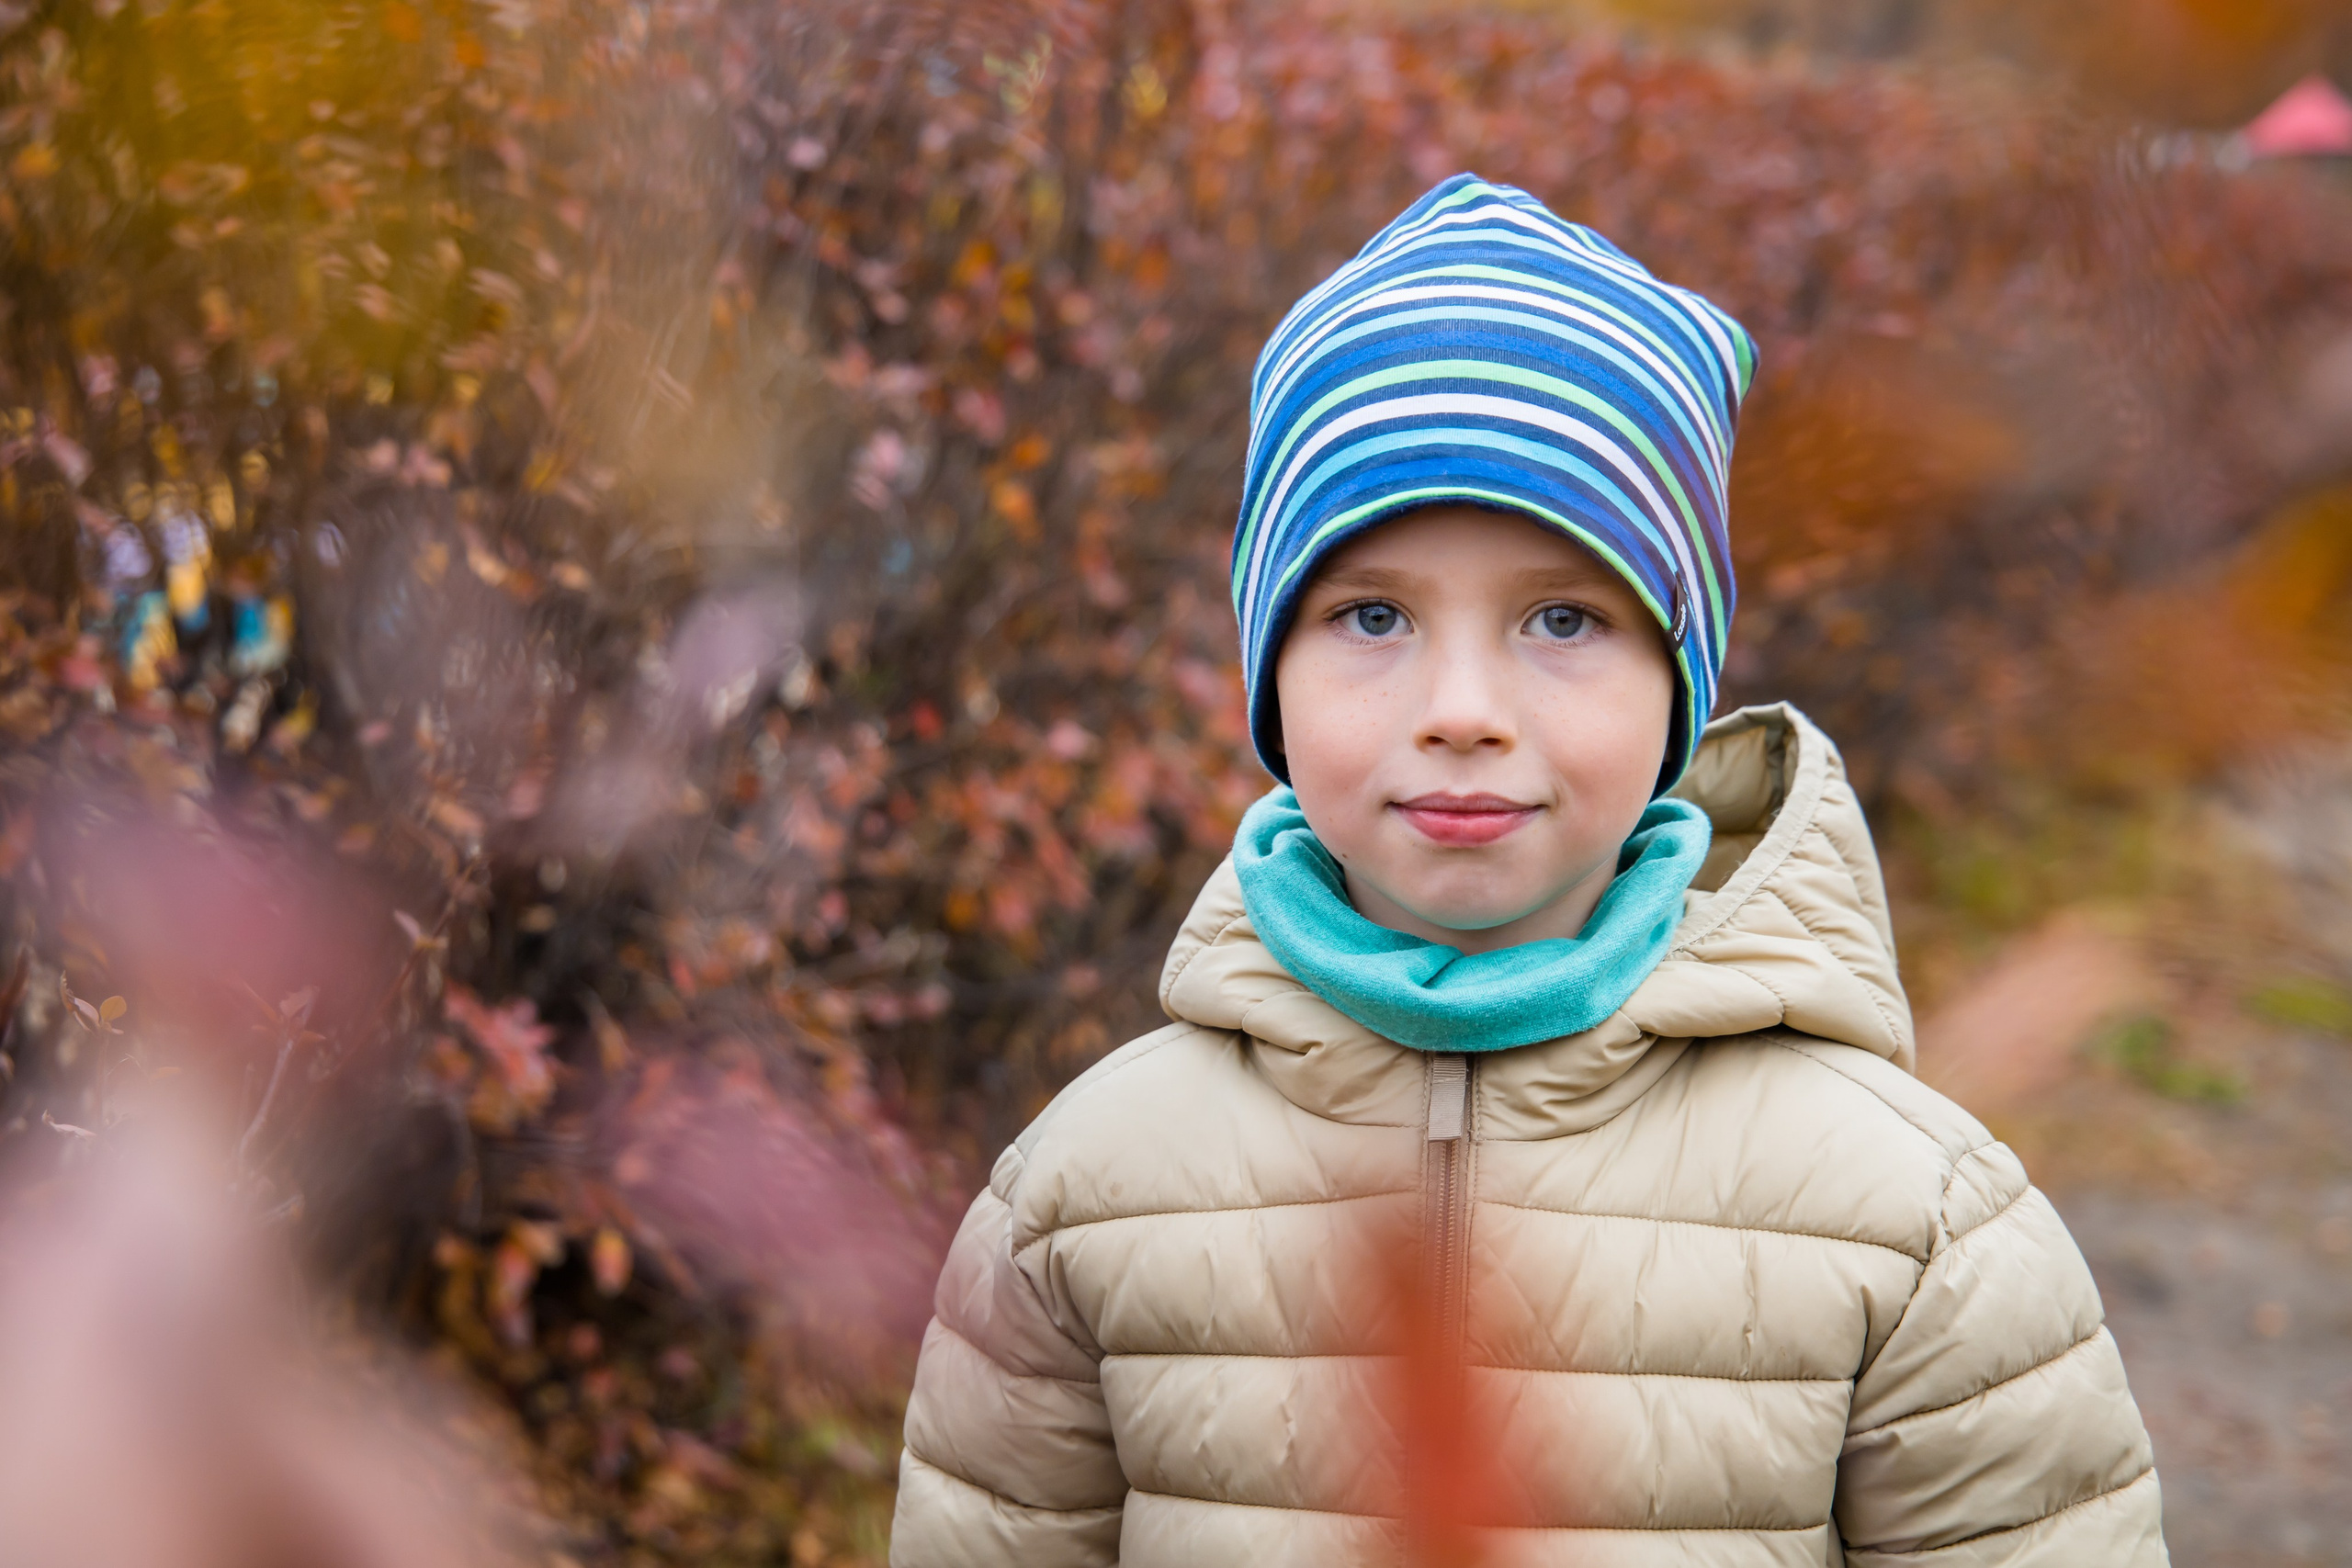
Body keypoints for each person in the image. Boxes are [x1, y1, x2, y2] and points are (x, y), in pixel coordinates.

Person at [888, 175, 2167, 1566]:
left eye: (1562, 619)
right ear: (1270, 677)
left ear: (1677, 687)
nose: (1462, 710)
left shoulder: (1916, 1225)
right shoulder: (1083, 1195)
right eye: (1372, 616)